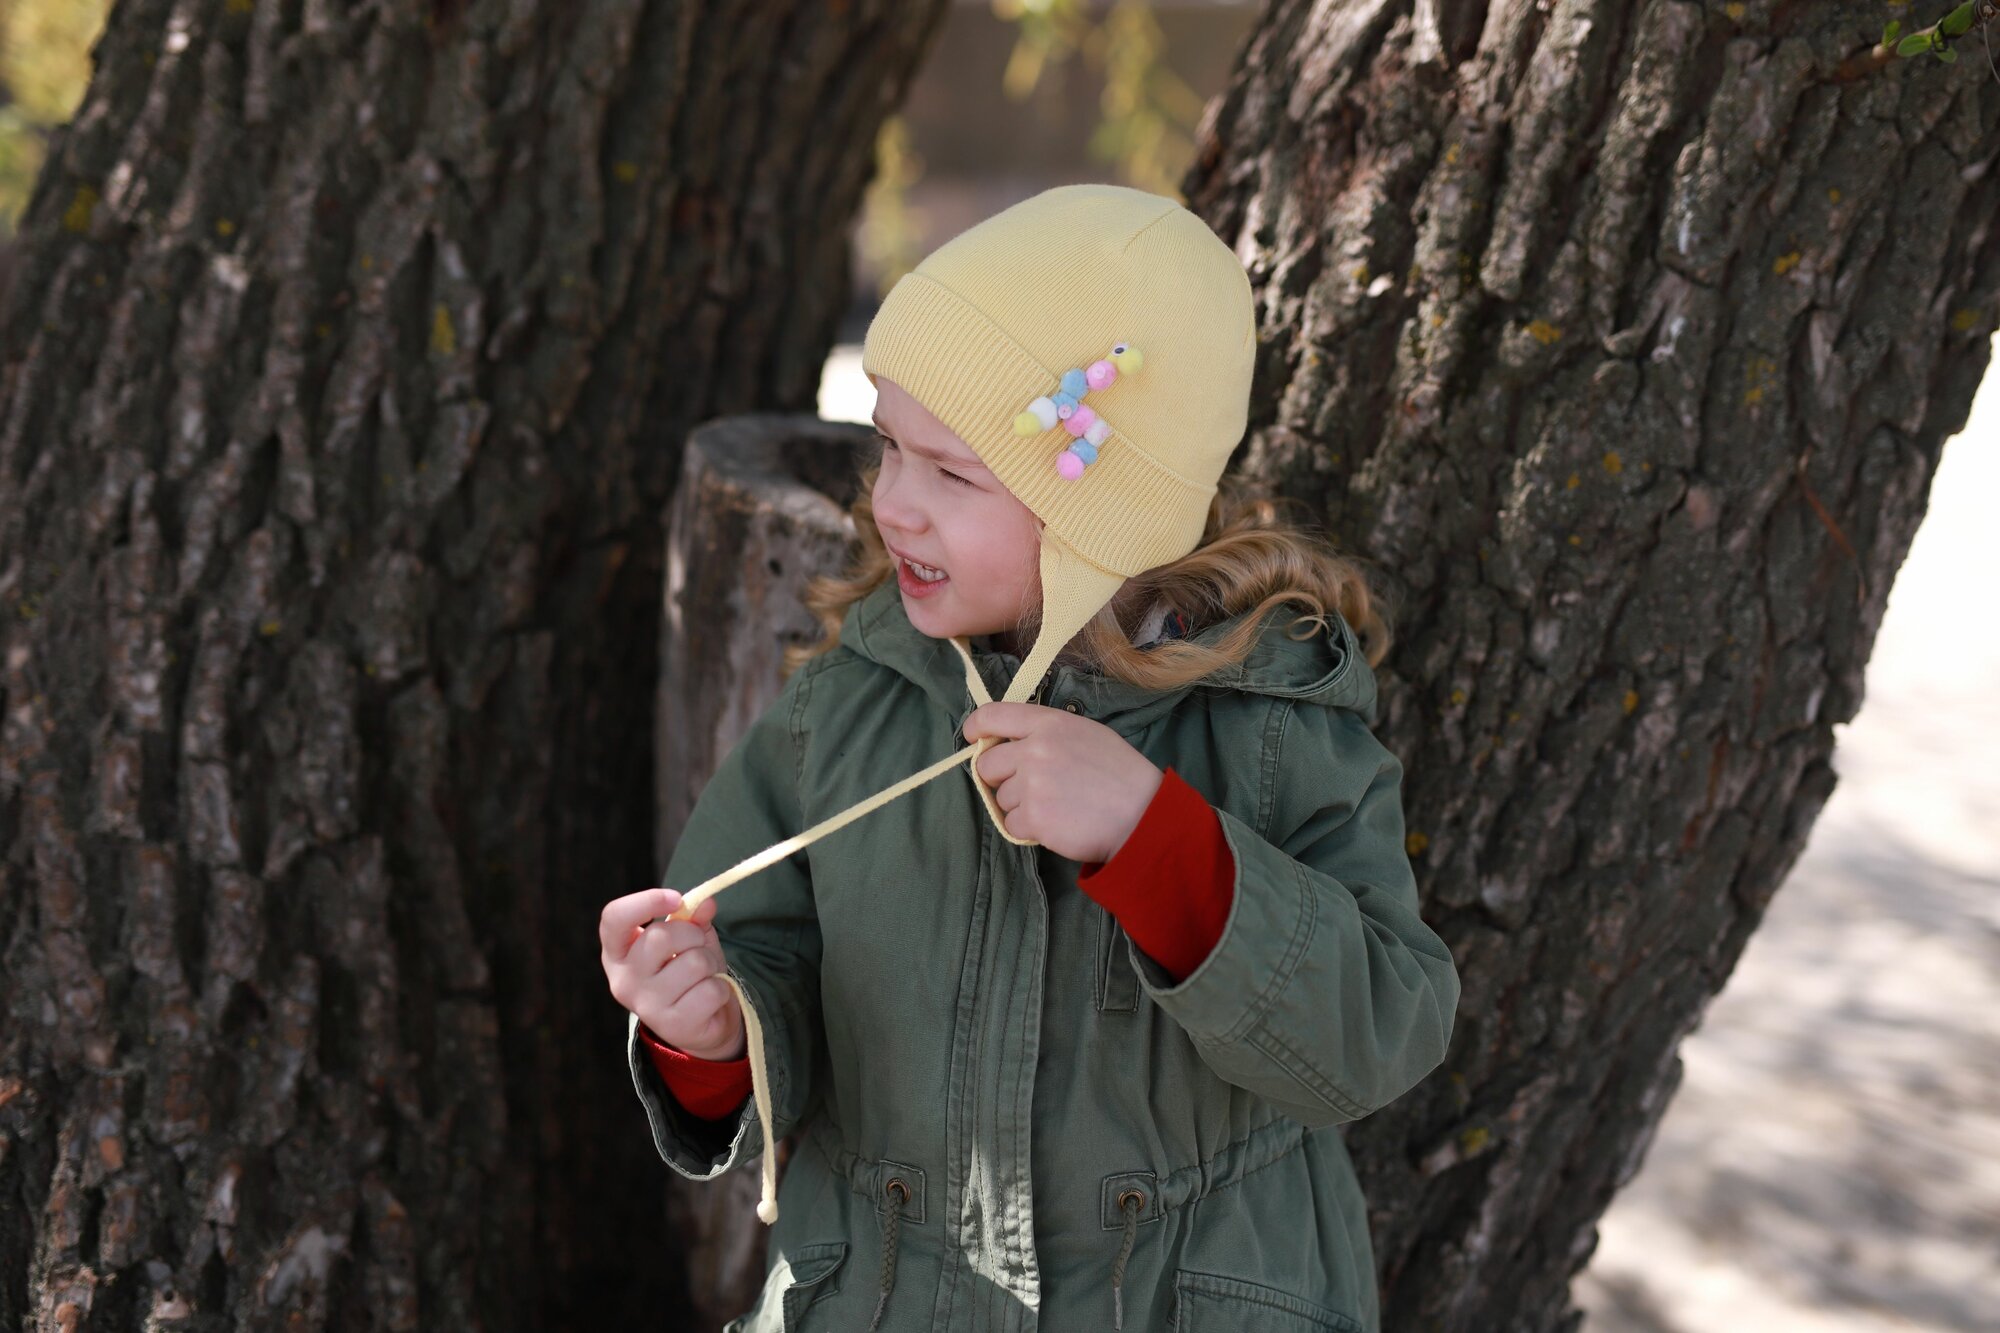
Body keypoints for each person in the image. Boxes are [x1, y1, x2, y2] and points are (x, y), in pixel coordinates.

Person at [597, 183, 1460, 1333]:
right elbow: (763, 959)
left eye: (951, 474)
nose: (891, 505)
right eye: (888, 448)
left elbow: (1378, 1032)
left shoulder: (1264, 721)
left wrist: (1151, 837)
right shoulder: (852, 704)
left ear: (1107, 514)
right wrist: (707, 1029)